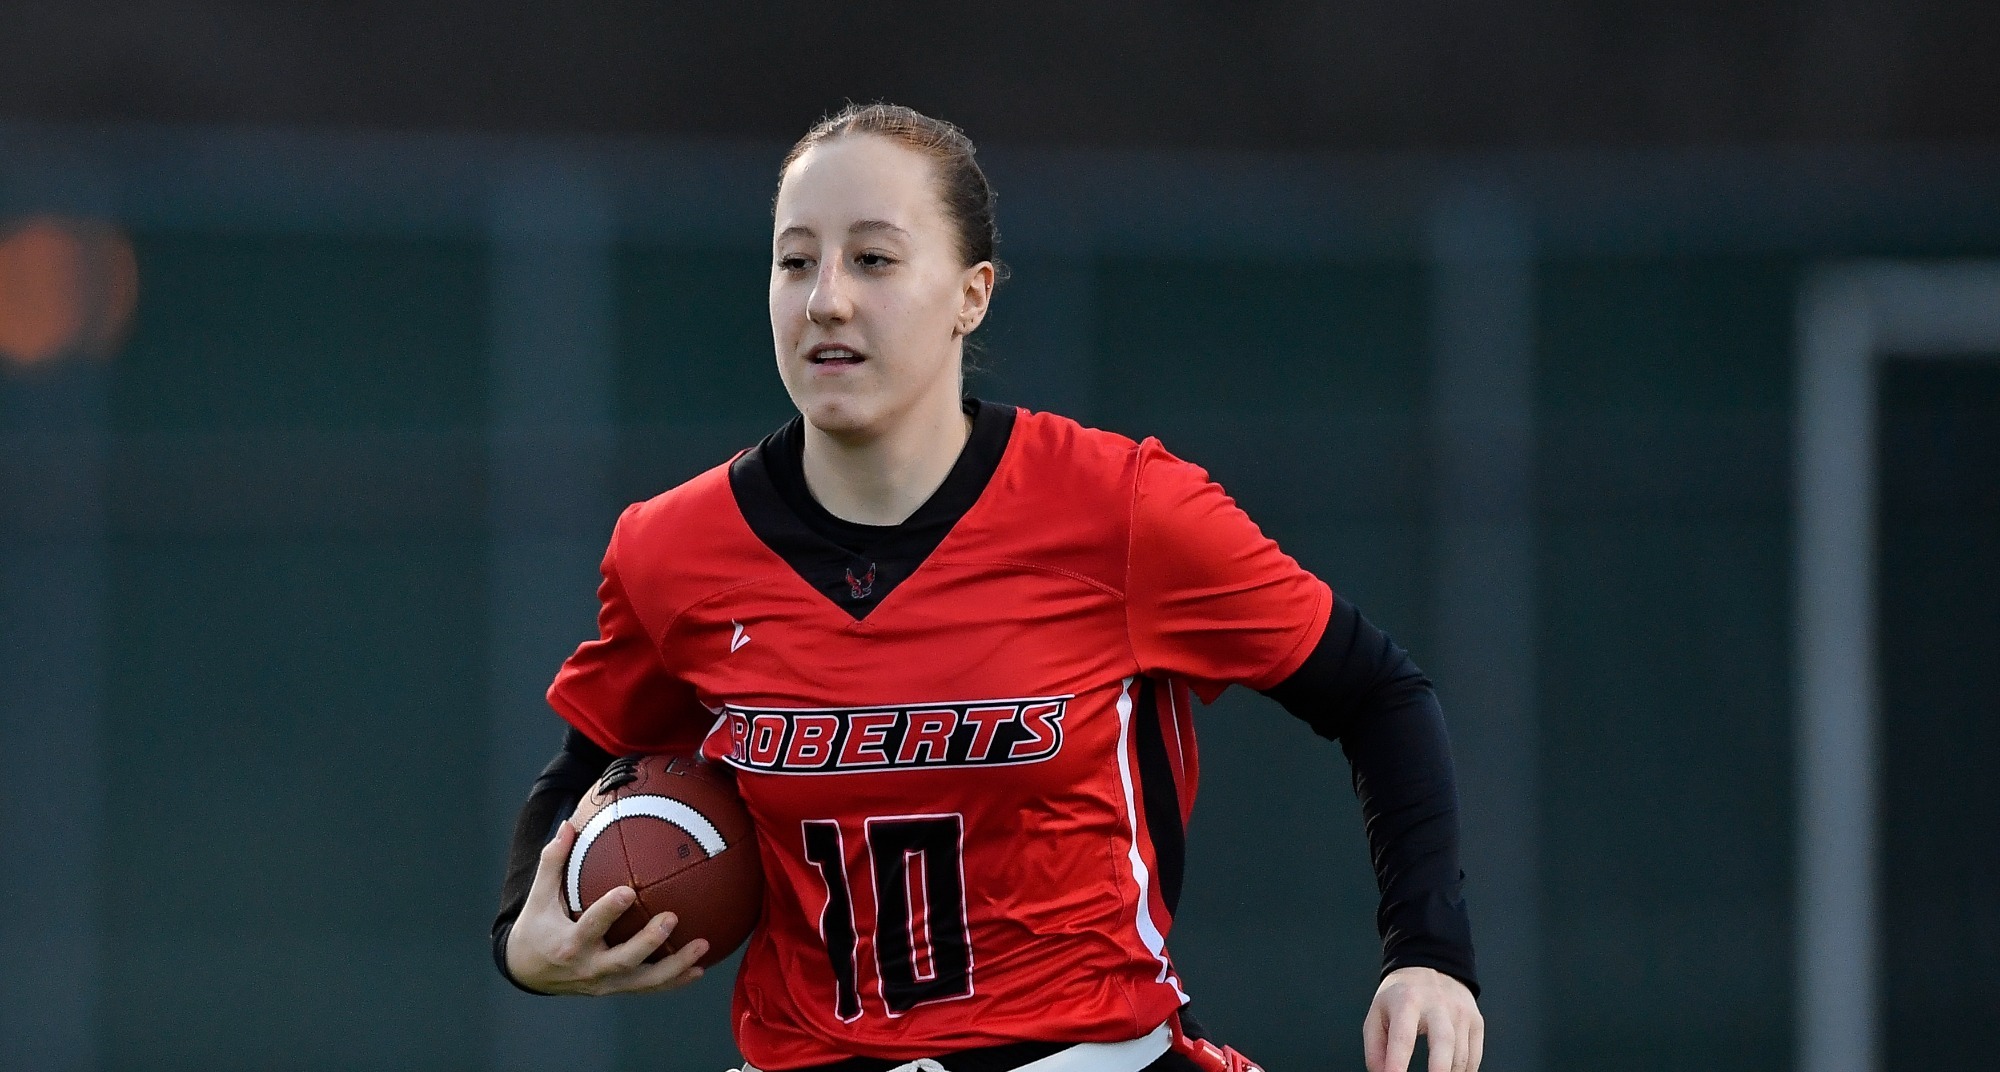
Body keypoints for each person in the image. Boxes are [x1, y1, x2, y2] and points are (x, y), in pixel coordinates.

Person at [492, 103, 1483, 1072]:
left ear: (970, 294)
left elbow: (1377, 694)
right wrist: (520, 942)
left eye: (872, 259)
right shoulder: (674, 550)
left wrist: (1429, 955)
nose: (826, 299)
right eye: (795, 261)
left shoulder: (1120, 510)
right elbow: (591, 762)